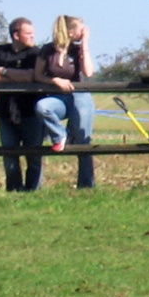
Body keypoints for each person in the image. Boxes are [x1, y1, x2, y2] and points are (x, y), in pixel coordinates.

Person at [33, 15, 97, 188]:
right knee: (42, 107)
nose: (84, 32)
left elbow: (88, 72)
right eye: (81, 30)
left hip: (80, 97)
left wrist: (84, 45)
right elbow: (37, 75)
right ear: (70, 32)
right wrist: (54, 81)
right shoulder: (48, 50)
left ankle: (86, 184)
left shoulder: (78, 50)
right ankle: (61, 135)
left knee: (83, 140)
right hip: (58, 97)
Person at [0, 17, 43, 191]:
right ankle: (14, 189)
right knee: (9, 154)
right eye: (28, 33)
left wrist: (4, 72)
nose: (33, 36)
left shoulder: (36, 54)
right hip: (5, 110)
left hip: (31, 111)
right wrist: (18, 76)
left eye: (33, 33)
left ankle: (33, 190)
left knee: (34, 154)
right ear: (16, 35)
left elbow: (33, 76)